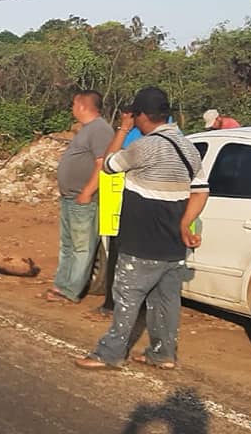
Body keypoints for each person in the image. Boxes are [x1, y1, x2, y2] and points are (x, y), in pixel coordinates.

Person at [77, 87, 207, 371]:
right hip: (174, 242)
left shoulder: (144, 147)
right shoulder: (188, 148)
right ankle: (163, 353)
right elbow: (200, 191)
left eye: (134, 114)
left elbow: (108, 165)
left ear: (142, 115)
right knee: (166, 301)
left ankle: (109, 353)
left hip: (141, 239)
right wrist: (185, 223)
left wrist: (123, 130)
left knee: (126, 297)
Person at [41, 90, 114, 304]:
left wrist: (87, 191)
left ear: (82, 105)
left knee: (82, 246)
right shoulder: (86, 130)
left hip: (83, 199)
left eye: (73, 105)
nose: (72, 109)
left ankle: (71, 290)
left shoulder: (100, 129)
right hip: (70, 198)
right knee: (67, 245)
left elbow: (103, 163)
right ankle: (61, 283)